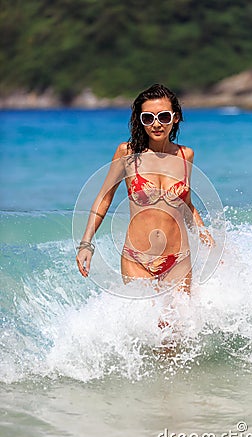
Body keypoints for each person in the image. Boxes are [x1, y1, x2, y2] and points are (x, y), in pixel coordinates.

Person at [76, 84, 213, 295]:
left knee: (178, 326)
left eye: (164, 117)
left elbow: (186, 205)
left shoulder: (186, 155)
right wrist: (86, 243)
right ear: (141, 121)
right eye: (148, 118)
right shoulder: (127, 153)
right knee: (148, 325)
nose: (156, 124)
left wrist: (204, 235)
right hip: (136, 258)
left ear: (175, 118)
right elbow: (105, 198)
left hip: (178, 259)